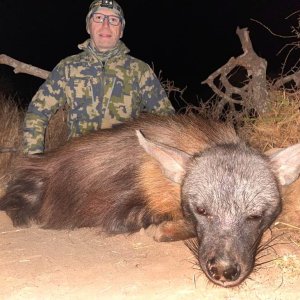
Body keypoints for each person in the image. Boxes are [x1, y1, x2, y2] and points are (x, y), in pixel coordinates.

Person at [23, 0, 175, 155]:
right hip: (77, 160)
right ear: (88, 26)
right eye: (99, 18)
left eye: (114, 20)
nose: (106, 25)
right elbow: (37, 112)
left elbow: (167, 120)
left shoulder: (140, 70)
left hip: (123, 162)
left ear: (121, 31)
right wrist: (33, 159)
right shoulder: (68, 67)